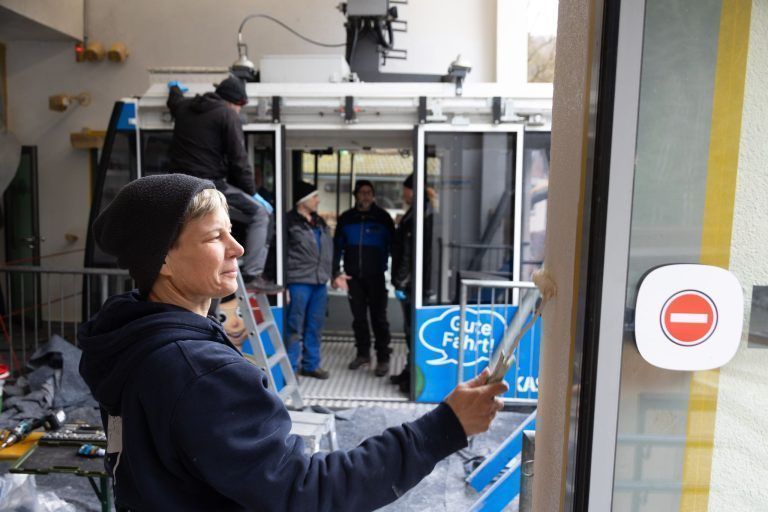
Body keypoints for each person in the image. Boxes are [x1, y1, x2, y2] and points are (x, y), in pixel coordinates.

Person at [78, 173, 508, 511]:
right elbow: (308, 491)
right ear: (163, 260)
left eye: (232, 231)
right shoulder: (201, 372)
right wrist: (443, 427)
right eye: (214, 237)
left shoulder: (132, 340)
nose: (238, 248)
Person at [166, 76, 280, 293]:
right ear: (233, 101)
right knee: (261, 214)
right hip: (209, 187)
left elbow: (174, 101)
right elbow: (239, 160)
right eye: (241, 104)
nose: (240, 109)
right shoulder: (227, 115)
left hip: (180, 187)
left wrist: (174, 88)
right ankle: (253, 274)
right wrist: (252, 192)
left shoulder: (184, 107)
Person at [332, 180, 396, 377]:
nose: (366, 196)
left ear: (373, 195)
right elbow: (337, 247)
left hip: (376, 276)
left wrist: (396, 275)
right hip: (353, 277)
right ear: (356, 195)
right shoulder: (346, 218)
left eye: (369, 192)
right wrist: (335, 272)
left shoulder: (383, 217)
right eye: (362, 192)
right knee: (359, 319)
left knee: (379, 318)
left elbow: (395, 246)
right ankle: (363, 354)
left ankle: (383, 357)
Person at [390, 173, 433, 393]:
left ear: (413, 190)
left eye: (405, 189)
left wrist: (400, 282)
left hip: (411, 284)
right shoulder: (419, 211)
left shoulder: (418, 214)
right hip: (414, 282)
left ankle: (412, 377)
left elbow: (408, 252)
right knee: (410, 330)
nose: (403, 194)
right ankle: (409, 371)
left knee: (411, 330)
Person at [285, 181, 333, 379]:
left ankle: (311, 365)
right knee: (294, 326)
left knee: (315, 325)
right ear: (302, 200)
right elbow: (278, 253)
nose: (318, 200)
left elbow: (328, 249)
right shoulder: (288, 221)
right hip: (298, 282)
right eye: (315, 196)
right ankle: (290, 369)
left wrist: (335, 273)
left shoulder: (319, 221)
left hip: (320, 282)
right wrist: (283, 285)